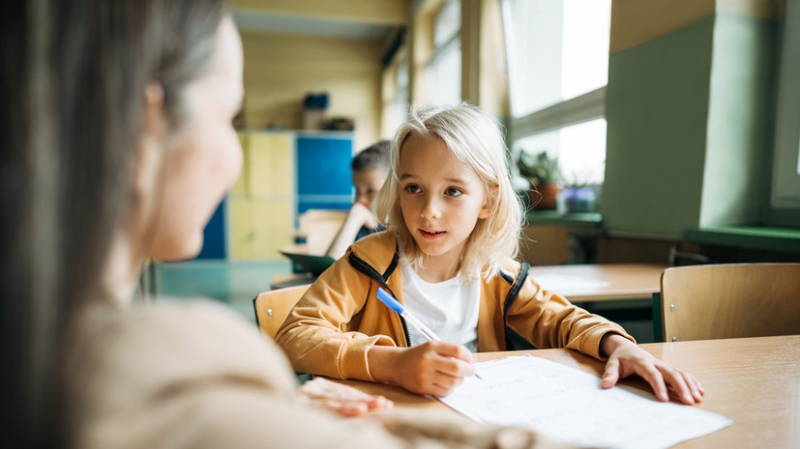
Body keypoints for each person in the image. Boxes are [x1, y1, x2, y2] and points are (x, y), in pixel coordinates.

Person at [0, 1, 574, 449]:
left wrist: (280, 413)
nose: (236, 155)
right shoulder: (158, 366)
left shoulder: (50, 355)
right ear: (146, 132)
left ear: (487, 201)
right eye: (230, 117)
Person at [276, 104, 706, 405]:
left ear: (488, 201)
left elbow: (561, 319)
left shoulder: (495, 272)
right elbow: (296, 335)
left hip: (479, 419)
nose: (428, 210)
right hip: (394, 423)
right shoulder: (369, 260)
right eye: (413, 188)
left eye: (453, 191)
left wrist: (619, 346)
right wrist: (392, 364)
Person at [325, 140, 391, 259]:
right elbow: (330, 270)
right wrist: (354, 219)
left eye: (370, 191)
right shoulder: (365, 224)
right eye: (357, 190)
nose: (359, 200)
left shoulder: (403, 233)